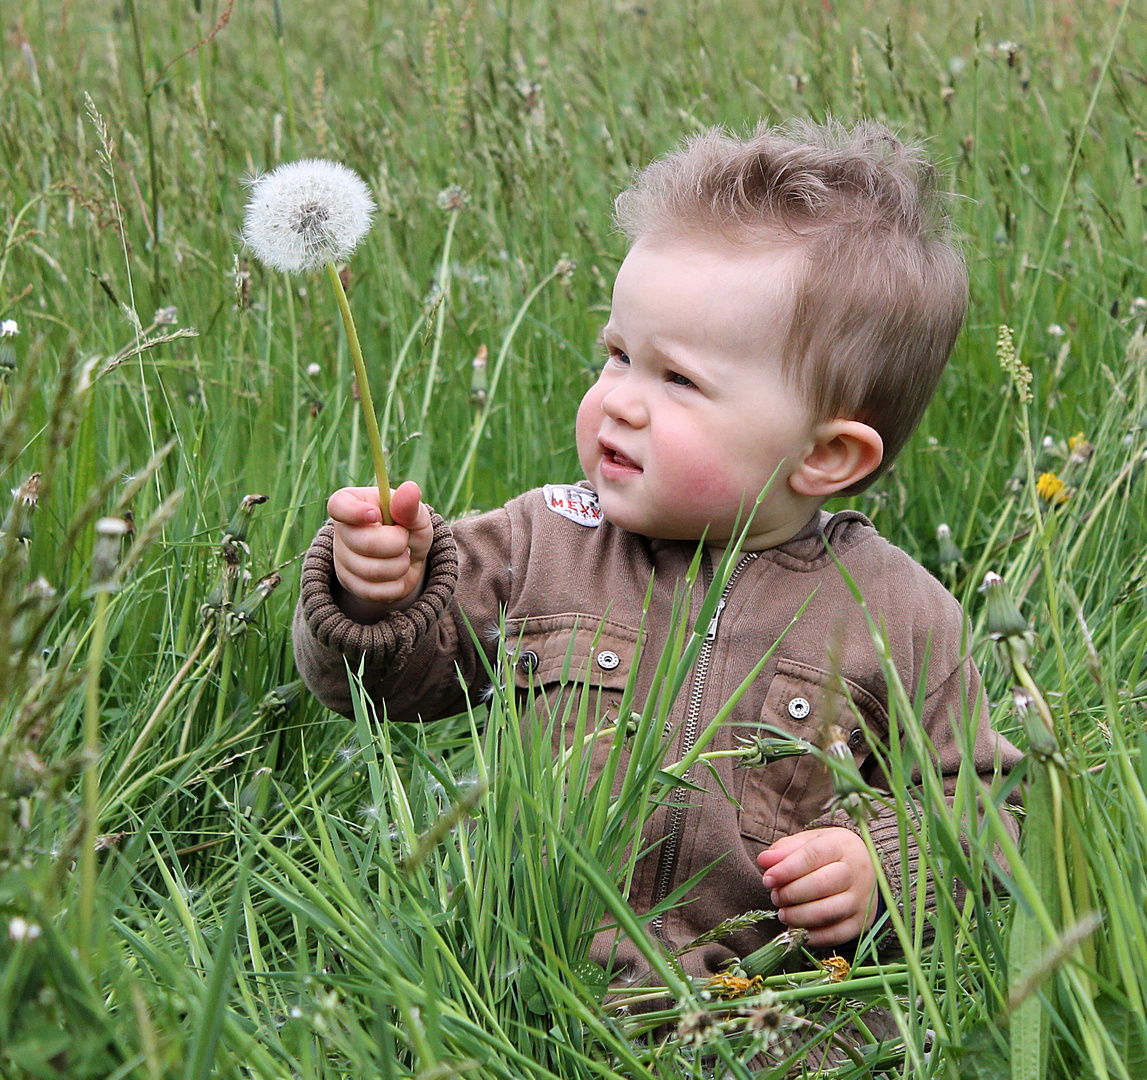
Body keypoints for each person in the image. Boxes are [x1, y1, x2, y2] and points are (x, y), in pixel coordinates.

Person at [293, 119, 1020, 989]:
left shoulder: (896, 615)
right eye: (617, 354)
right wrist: (376, 595)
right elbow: (380, 691)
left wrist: (883, 868)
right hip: (513, 987)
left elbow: (988, 807)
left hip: (770, 1014)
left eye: (676, 379)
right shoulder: (541, 540)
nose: (619, 402)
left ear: (825, 456)